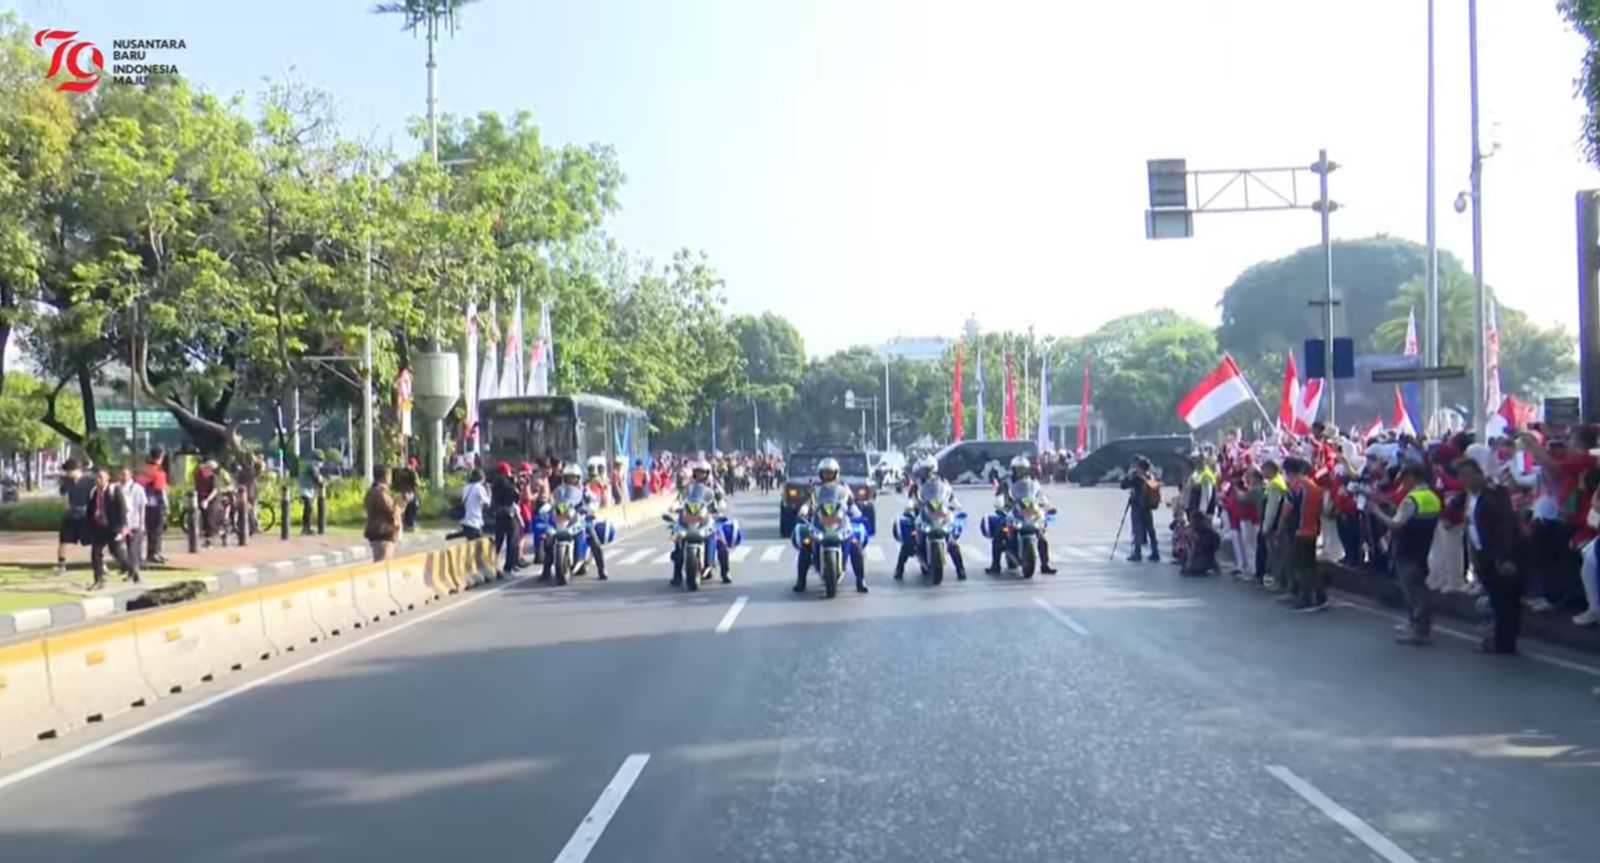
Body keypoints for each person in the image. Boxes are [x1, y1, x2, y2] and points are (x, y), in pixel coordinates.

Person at [1366, 463, 1442, 644]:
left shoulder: (1412, 499)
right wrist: (1390, 505)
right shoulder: (1432, 497)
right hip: (1423, 547)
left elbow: (1397, 524)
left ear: (1412, 478)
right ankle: (1416, 623)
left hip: (1406, 549)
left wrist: (1377, 512)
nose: (1402, 484)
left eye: (1404, 479)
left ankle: (1418, 628)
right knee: (1419, 587)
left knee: (1412, 591)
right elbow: (1413, 518)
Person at [1460, 455, 1523, 655]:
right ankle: (1496, 638)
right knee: (1495, 599)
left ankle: (1505, 643)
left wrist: (1506, 558)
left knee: (1506, 602)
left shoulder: (1494, 495)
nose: (1466, 481)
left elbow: (1505, 529)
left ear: (1480, 474)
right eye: (1463, 477)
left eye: (1469, 476)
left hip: (1499, 556)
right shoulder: (1471, 496)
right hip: (1482, 555)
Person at [794, 456, 868, 594]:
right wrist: (804, 510)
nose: (828, 476)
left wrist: (857, 513)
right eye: (825, 473)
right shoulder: (815, 489)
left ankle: (861, 580)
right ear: (820, 474)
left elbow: (851, 503)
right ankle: (801, 580)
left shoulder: (844, 488)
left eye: (830, 473)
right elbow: (809, 503)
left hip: (839, 520)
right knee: (806, 544)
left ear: (836, 473)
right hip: (820, 520)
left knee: (854, 544)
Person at [893, 456, 968, 580]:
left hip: (939, 513)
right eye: (922, 470)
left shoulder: (942, 482)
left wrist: (955, 504)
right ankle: (899, 569)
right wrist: (910, 506)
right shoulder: (916, 485)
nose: (923, 473)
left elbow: (950, 495)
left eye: (925, 470)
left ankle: (961, 570)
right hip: (922, 514)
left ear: (932, 469)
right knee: (908, 543)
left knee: (952, 544)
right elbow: (911, 499)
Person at [987, 455, 1058, 575]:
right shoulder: (1006, 482)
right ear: (1013, 469)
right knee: (1000, 534)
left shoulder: (1032, 483)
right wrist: (1000, 506)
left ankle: (1045, 564)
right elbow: (999, 497)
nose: (1020, 471)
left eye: (1023, 469)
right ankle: (995, 565)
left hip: (1030, 512)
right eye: (1018, 469)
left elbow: (1040, 496)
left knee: (1042, 536)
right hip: (1012, 511)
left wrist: (1047, 506)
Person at [541, 462, 611, 581]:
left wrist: (590, 507)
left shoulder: (584, 490)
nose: (571, 480)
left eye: (573, 477)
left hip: (580, 518)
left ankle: (602, 569)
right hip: (564, 519)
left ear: (578, 478)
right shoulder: (559, 491)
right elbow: (554, 502)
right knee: (549, 540)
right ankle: (545, 571)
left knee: (594, 540)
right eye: (568, 477)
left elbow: (592, 500)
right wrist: (549, 507)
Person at [668, 459, 731, 586]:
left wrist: (721, 504)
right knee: (676, 539)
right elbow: (680, 498)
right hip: (691, 517)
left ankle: (725, 572)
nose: (700, 475)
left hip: (709, 517)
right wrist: (674, 506)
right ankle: (677, 573)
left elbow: (721, 498)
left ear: (708, 473)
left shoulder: (714, 486)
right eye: (697, 472)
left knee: (721, 542)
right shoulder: (689, 487)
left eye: (702, 473)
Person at [1281, 458, 1328, 611]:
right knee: (1311, 565)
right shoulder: (1314, 486)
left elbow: (1287, 509)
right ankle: (1320, 596)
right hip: (1313, 529)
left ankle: (1307, 598)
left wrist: (1280, 527)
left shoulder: (1295, 487)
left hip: (1298, 530)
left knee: (1301, 566)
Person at [85, 468, 134, 590]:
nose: (98, 480)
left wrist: (123, 526)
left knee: (117, 553)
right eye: (97, 477)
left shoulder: (113, 490)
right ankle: (98, 580)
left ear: (107, 478)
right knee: (96, 553)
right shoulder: (94, 492)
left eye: (101, 477)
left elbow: (121, 508)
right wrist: (90, 526)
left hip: (113, 527)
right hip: (99, 528)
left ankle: (132, 570)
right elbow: (90, 510)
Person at [55, 458, 93, 575]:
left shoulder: (89, 481)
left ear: (76, 470)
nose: (67, 474)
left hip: (85, 515)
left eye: (69, 471)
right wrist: (67, 507)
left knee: (91, 541)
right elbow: (64, 496)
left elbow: (94, 496)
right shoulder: (67, 482)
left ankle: (99, 563)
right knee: (64, 540)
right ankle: (61, 564)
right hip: (71, 515)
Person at [1120, 456, 1161, 562]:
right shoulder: (1150, 476)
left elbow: (1123, 485)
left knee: (1137, 529)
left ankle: (1137, 553)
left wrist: (1129, 475)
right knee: (1150, 529)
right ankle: (1155, 551)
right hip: (1147, 506)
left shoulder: (1137, 477)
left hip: (1137, 505)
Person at [489, 462, 524, 576]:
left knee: (498, 541)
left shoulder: (494, 484)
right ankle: (509, 566)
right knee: (512, 540)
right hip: (509, 514)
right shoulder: (507, 484)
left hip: (499, 515)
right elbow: (516, 496)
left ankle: (492, 563)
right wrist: (516, 484)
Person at [117, 466, 148, 585]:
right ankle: (129, 570)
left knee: (133, 549)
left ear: (130, 475)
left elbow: (142, 505)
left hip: (135, 523)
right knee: (121, 549)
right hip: (123, 524)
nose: (123, 477)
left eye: (125, 474)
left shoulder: (137, 488)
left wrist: (142, 522)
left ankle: (134, 572)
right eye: (121, 474)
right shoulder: (117, 488)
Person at [363, 466, 401, 561]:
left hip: (378, 532)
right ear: (385, 477)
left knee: (382, 563)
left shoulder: (372, 491)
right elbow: (391, 512)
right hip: (383, 533)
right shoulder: (381, 493)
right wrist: (399, 504)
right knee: (383, 564)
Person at [138, 449, 169, 564]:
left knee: (146, 529)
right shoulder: (159, 472)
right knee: (156, 530)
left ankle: (146, 553)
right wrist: (166, 505)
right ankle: (154, 553)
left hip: (143, 503)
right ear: (160, 457)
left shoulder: (143, 470)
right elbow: (161, 490)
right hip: (155, 504)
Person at [446, 468, 490, 540]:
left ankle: (452, 536)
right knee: (479, 545)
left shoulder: (466, 487)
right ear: (482, 478)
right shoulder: (479, 488)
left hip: (466, 521)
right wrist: (488, 491)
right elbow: (487, 503)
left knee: (471, 543)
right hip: (475, 522)